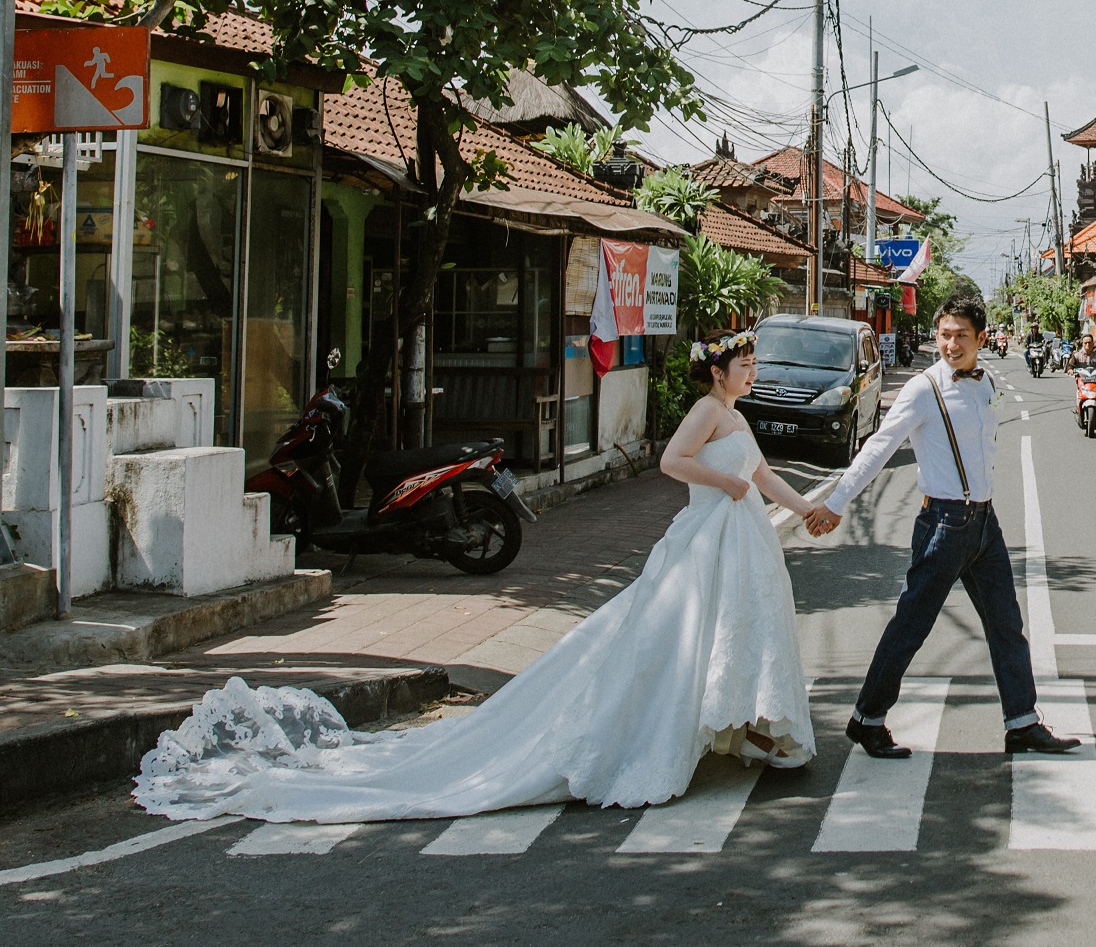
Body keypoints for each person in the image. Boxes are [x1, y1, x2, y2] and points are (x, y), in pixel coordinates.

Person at [130, 333, 839, 821]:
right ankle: (719, 725)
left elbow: (764, 473)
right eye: (745, 363)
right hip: (708, 539)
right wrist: (724, 481)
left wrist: (806, 506)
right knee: (681, 638)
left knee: (736, 631)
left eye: (751, 363)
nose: (752, 371)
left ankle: (746, 723)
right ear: (719, 371)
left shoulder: (735, 414)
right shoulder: (708, 411)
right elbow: (671, 465)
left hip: (738, 538)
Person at [809, 297, 1079, 760]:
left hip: (983, 522)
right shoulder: (922, 389)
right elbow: (879, 447)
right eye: (944, 335)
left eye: (961, 336)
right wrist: (835, 503)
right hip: (944, 524)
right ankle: (867, 719)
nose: (951, 345)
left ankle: (1022, 722)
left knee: (1006, 624)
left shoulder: (988, 382)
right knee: (912, 624)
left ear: (980, 338)